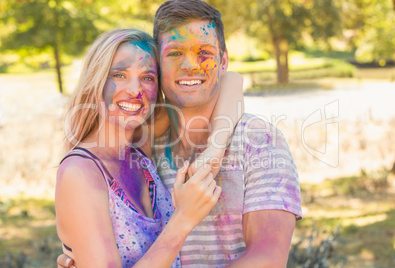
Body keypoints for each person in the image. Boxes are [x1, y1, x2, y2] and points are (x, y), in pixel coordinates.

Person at [58, 0, 302, 267]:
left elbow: (267, 260)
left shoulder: (259, 141)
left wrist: (214, 150)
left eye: (204, 53)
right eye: (175, 54)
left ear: (223, 60)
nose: (190, 65)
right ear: (161, 65)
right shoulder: (144, 142)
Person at [56, 28, 244, 268]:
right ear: (96, 80)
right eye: (119, 75)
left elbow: (231, 80)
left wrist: (214, 151)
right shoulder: (80, 172)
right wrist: (183, 219)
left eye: (148, 78)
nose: (135, 91)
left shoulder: (139, 145)